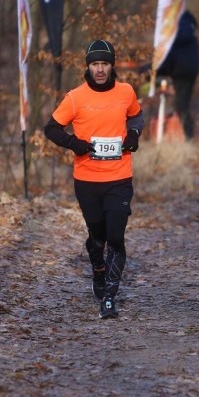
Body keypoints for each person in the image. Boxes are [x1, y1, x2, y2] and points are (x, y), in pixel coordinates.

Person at [43, 39, 144, 319]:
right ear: (88, 66)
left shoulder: (126, 92)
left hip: (119, 177)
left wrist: (134, 135)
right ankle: (98, 268)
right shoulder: (76, 97)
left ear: (113, 66)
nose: (100, 69)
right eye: (95, 64)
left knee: (116, 236)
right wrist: (73, 143)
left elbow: (136, 117)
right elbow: (50, 128)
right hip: (87, 180)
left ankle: (110, 297)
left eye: (105, 63)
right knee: (97, 237)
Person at [159, 11, 199, 139]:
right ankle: (188, 135)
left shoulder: (172, 33)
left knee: (181, 105)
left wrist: (156, 70)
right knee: (184, 103)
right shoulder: (191, 32)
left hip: (178, 71)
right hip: (191, 71)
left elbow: (168, 58)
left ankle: (188, 137)